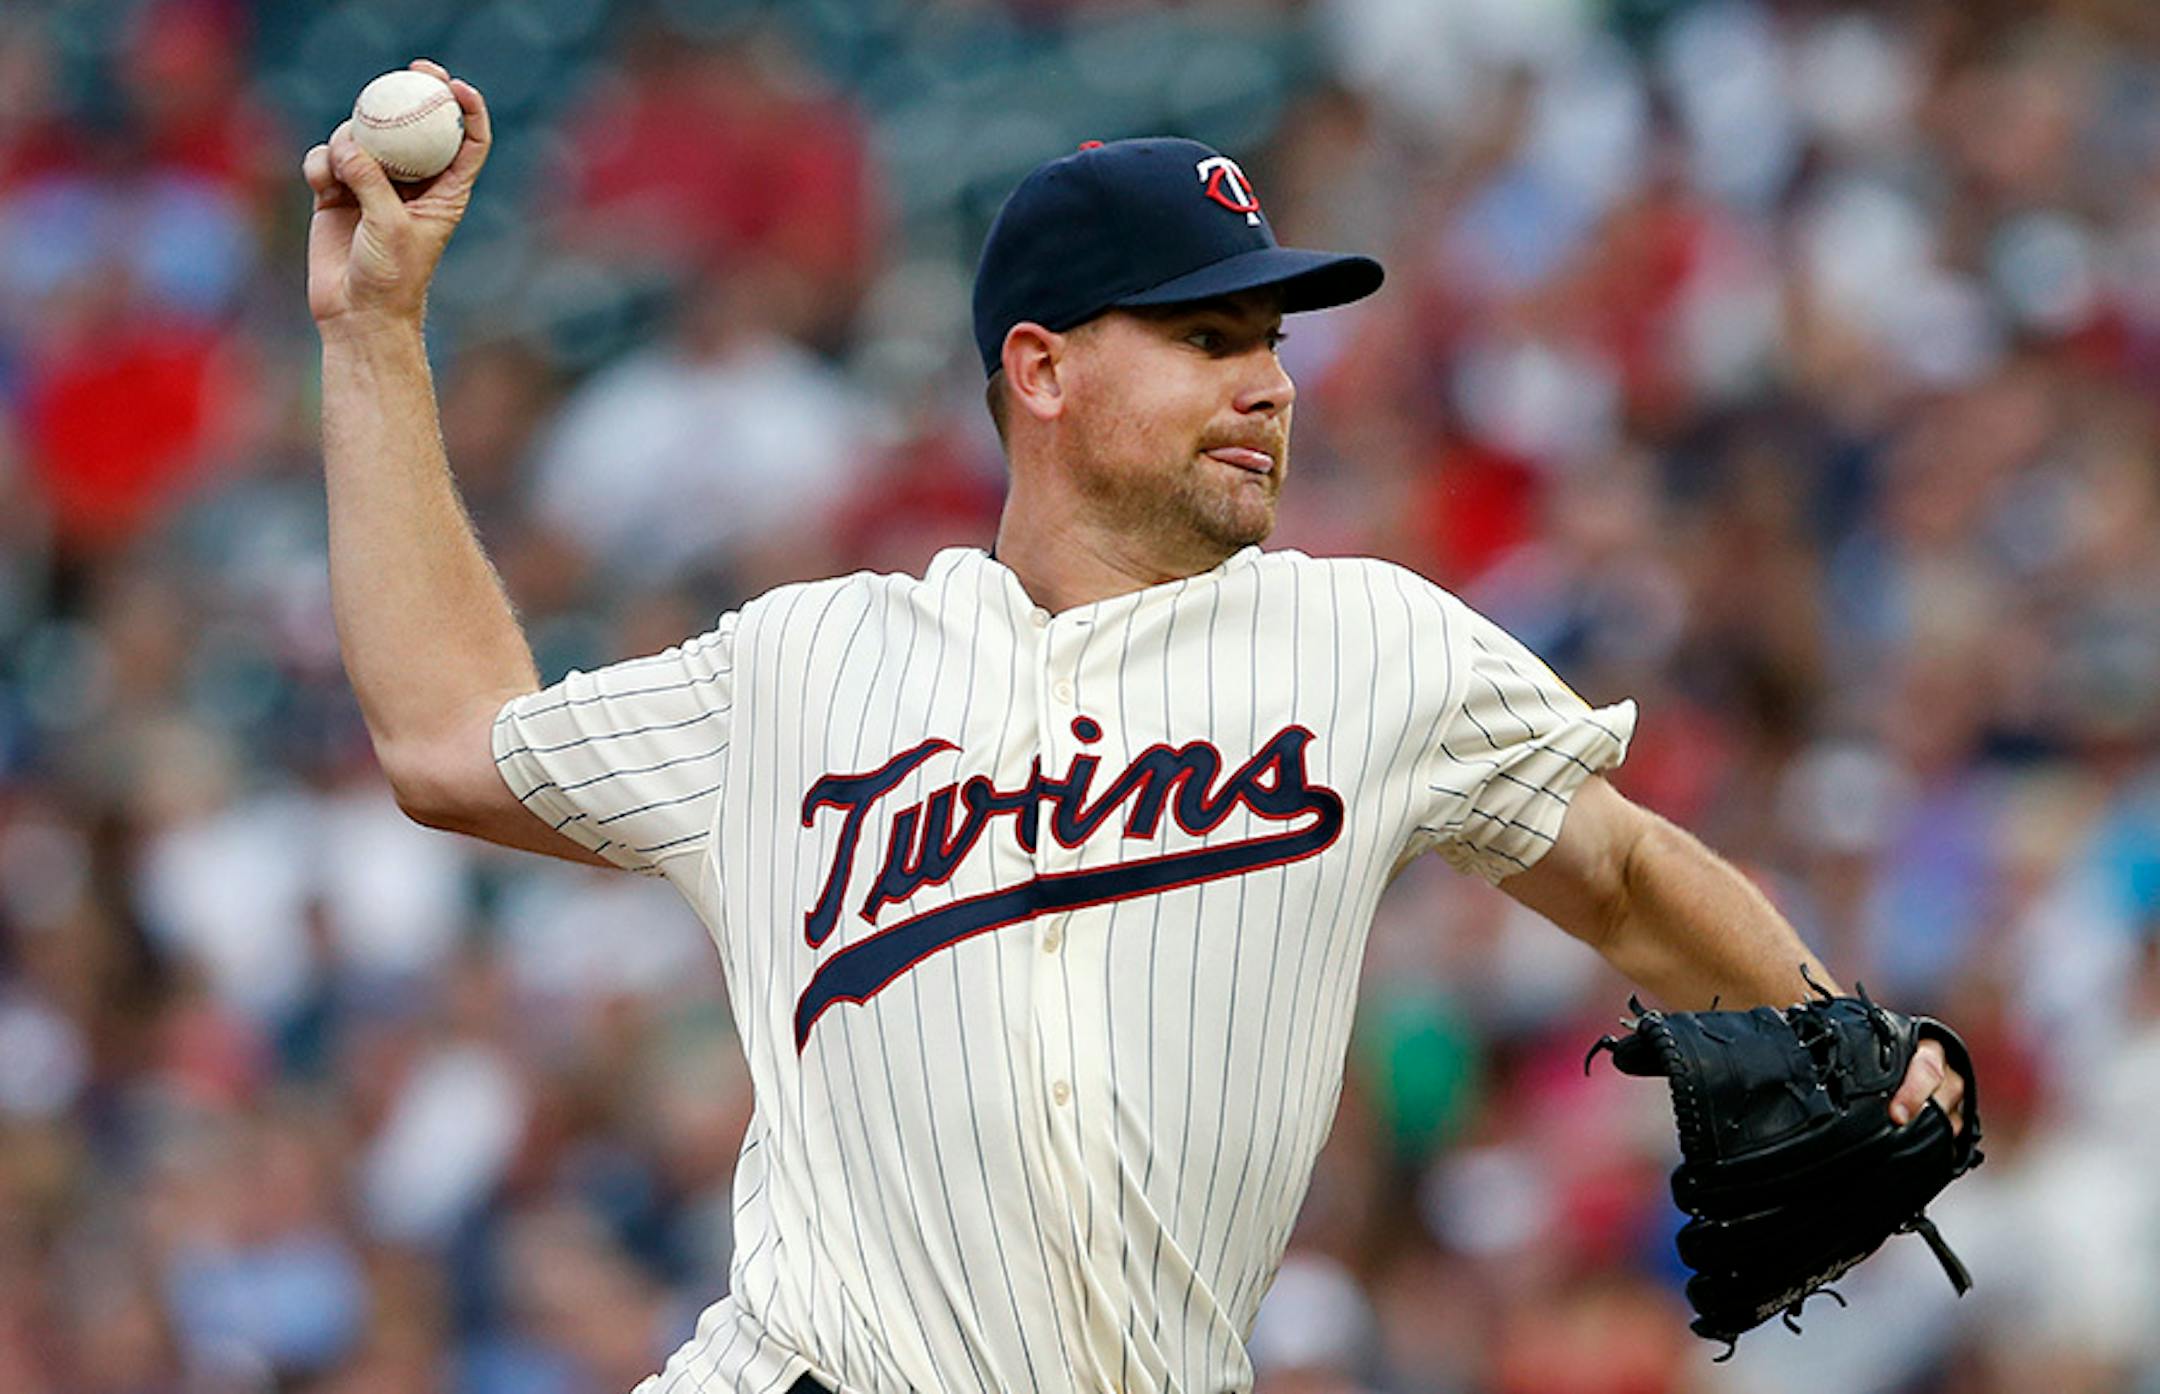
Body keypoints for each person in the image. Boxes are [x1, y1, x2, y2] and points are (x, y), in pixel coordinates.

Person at [303, 62, 1967, 1394]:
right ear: (1040, 370)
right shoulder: (803, 664)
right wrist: (373, 331)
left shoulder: (1366, 638)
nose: (1271, 381)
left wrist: (1842, 1038)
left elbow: (1615, 870)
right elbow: (450, 739)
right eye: (1205, 337)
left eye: (1272, 339)